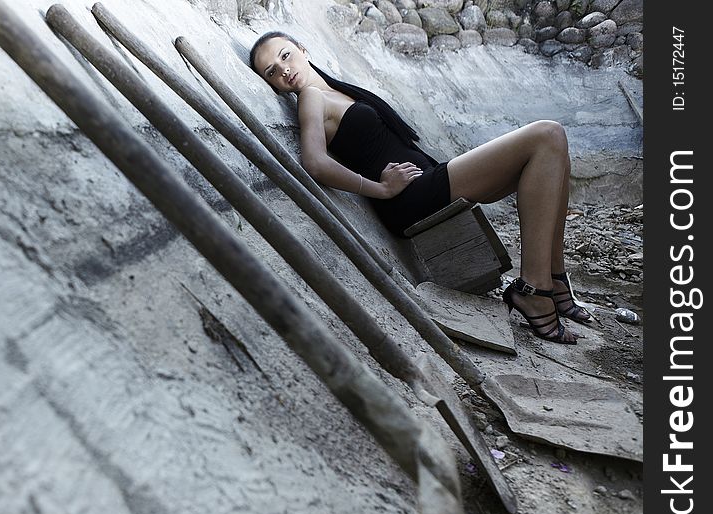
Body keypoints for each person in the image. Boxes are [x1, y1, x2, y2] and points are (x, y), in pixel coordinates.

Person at [250, 31, 591, 344]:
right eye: (271, 72)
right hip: (409, 199)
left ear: (303, 49)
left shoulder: (332, 89)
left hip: (426, 182)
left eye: (284, 56)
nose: (282, 70)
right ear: (274, 86)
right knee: (547, 134)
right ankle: (533, 288)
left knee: (554, 150)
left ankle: (553, 278)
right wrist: (380, 189)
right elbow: (314, 162)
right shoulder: (310, 97)